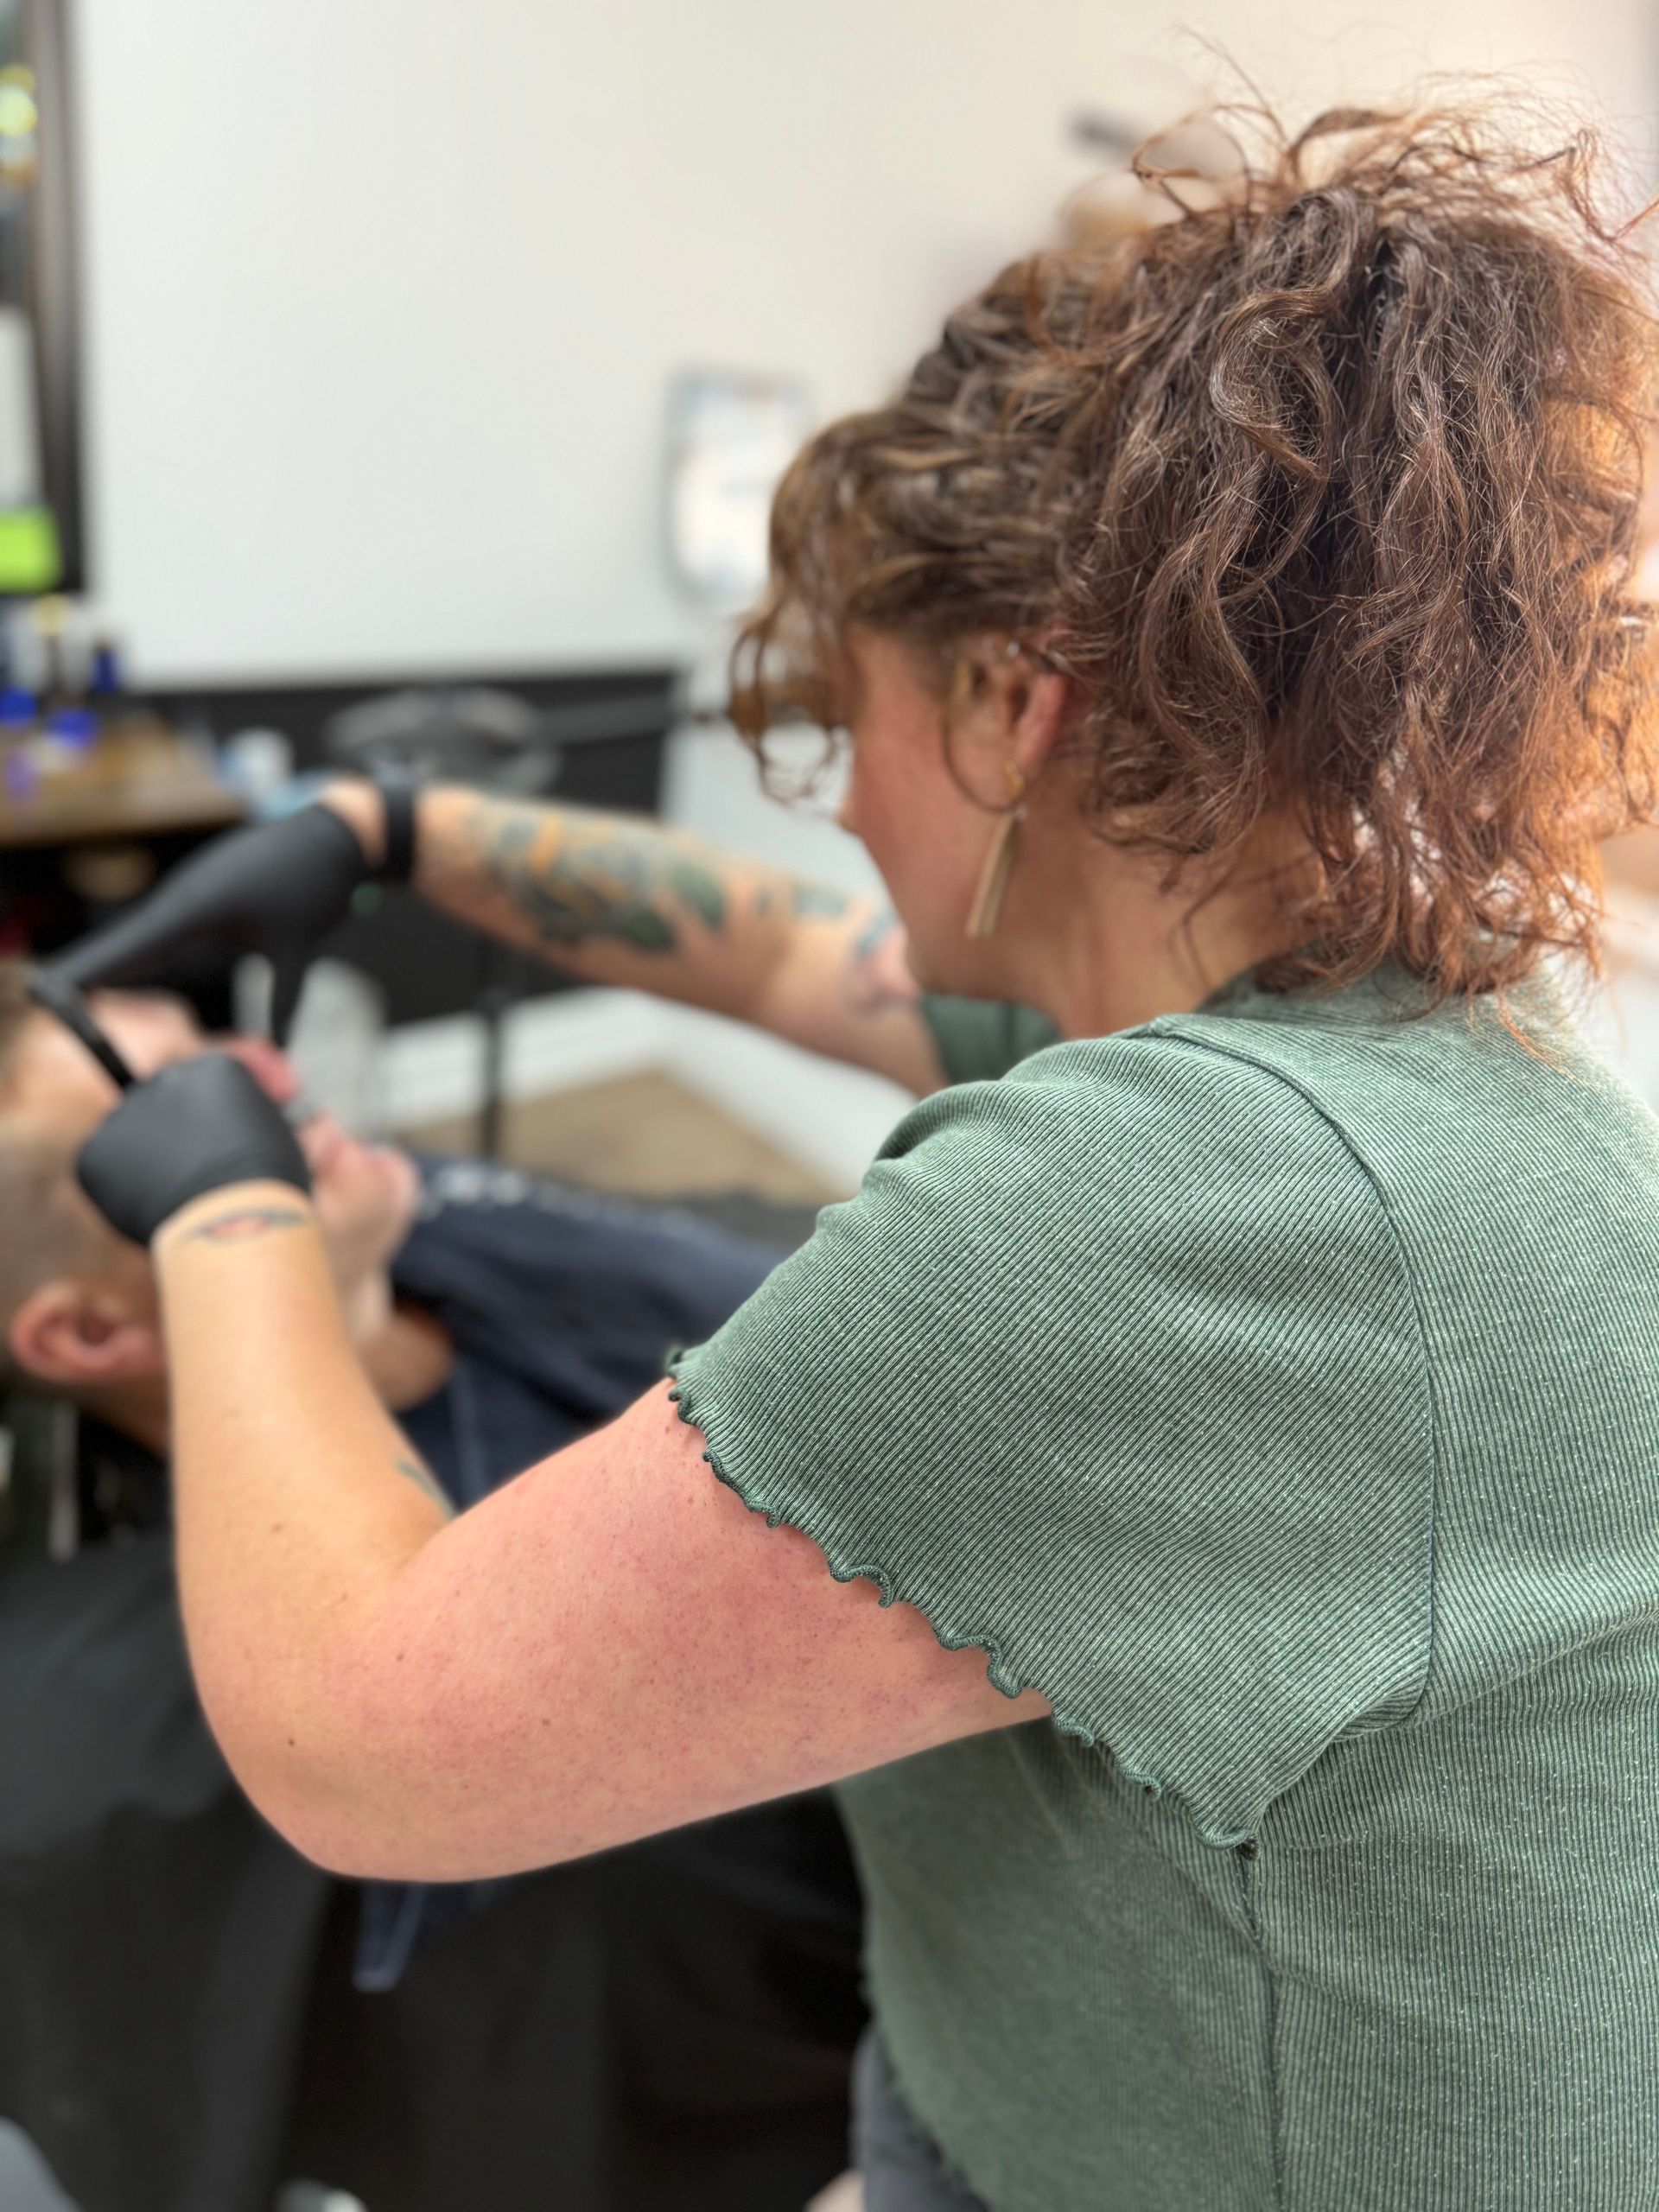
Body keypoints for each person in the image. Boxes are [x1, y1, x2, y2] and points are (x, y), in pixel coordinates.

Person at [46, 94, 1659, 2210]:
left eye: (842, 718)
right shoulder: (1338, 1030)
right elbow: (795, 955)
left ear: (1007, 703)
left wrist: (226, 1196)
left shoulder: (1178, 1214)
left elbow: (358, 1732)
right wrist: (383, 830)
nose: (834, 807)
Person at [0, 970, 865, 2212]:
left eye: (220, 1044)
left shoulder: (465, 1239)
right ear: (89, 1332)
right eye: (173, 1109)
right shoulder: (368, 1698)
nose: (271, 1076)